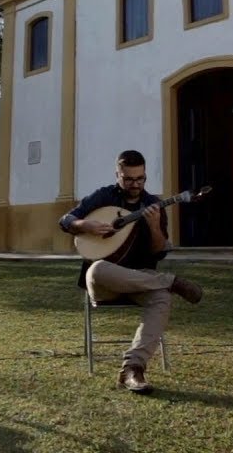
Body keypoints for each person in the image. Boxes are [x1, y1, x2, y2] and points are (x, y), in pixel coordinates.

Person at [59, 149, 203, 394]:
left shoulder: (153, 204)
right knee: (97, 270)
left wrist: (154, 225)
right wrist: (86, 225)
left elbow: (158, 252)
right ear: (118, 175)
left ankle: (132, 368)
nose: (135, 184)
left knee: (162, 298)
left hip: (141, 280)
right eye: (128, 179)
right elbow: (65, 220)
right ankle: (170, 281)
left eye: (140, 179)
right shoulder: (103, 196)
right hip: (105, 283)